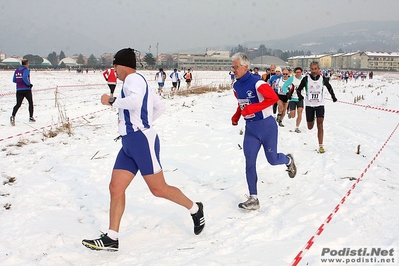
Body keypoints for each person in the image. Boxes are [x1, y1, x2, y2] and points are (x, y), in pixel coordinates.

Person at [82, 48, 205, 252]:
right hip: (129, 142)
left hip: (141, 141)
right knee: (116, 188)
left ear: (122, 65)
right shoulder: (137, 82)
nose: (114, 70)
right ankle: (112, 237)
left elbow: (136, 102)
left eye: (115, 65)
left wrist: (112, 101)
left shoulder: (133, 79)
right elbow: (160, 107)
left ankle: (195, 208)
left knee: (158, 189)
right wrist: (141, 123)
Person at [230, 52, 297, 211]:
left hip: (267, 127)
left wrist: (253, 108)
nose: (233, 69)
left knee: (272, 160)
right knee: (249, 162)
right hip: (251, 130)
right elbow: (242, 104)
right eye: (232, 66)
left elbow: (273, 99)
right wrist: (237, 115)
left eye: (235, 67)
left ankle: (288, 160)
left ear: (245, 67)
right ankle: (253, 198)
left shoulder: (258, 83)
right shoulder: (236, 86)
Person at [296, 61, 337, 153]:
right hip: (309, 105)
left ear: (318, 69)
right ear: (310, 69)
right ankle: (312, 119)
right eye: (312, 69)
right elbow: (298, 90)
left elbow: (329, 88)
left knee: (320, 125)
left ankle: (321, 145)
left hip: (320, 105)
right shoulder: (306, 79)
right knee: (310, 127)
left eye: (316, 69)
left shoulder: (323, 79)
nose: (314, 71)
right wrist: (300, 96)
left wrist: (333, 97)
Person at [10, 58, 35, 126]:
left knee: (18, 104)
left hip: (19, 89)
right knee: (30, 102)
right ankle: (31, 117)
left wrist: (19, 83)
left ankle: (13, 116)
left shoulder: (17, 70)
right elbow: (24, 77)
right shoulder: (26, 70)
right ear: (26, 63)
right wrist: (28, 84)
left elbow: (14, 80)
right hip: (26, 89)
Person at [283, 67, 304, 133]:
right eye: (297, 72)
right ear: (295, 73)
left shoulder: (304, 79)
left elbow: (307, 87)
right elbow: (284, 86)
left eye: (299, 72)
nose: (298, 74)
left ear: (301, 72)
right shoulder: (292, 78)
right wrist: (287, 92)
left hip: (300, 98)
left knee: (300, 113)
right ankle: (290, 113)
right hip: (292, 98)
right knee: (293, 115)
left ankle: (297, 127)